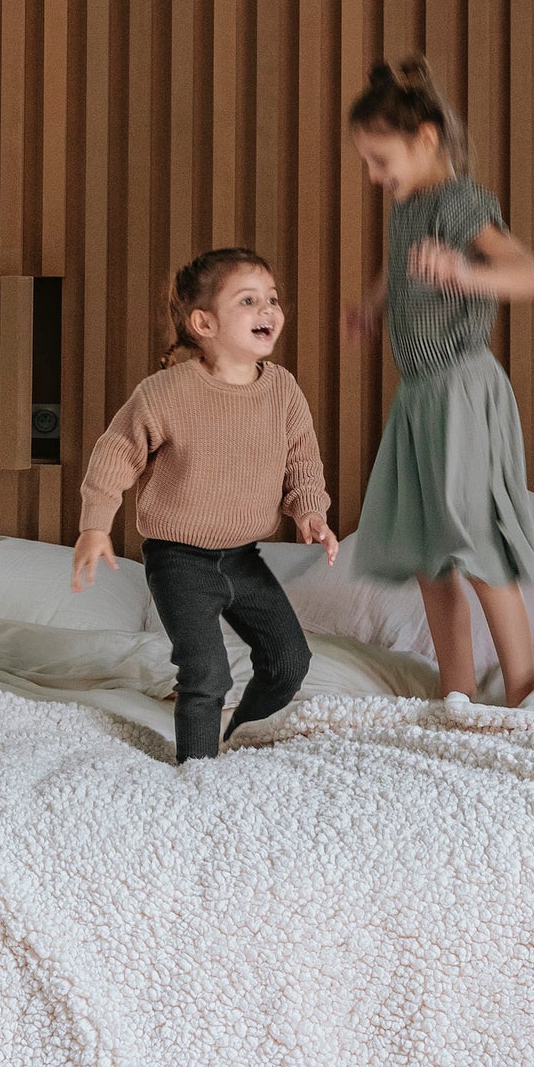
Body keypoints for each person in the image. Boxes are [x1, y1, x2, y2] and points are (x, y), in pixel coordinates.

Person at [73, 248, 336, 763]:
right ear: (204, 322)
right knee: (206, 672)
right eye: (249, 300)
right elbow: (116, 453)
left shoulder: (282, 390)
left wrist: (310, 511)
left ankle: (240, 740)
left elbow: (301, 461)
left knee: (289, 661)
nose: (268, 310)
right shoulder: (164, 393)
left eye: (273, 299)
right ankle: (197, 770)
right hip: (179, 560)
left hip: (243, 558)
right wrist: (95, 526)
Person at [344, 56, 534, 705]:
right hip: (420, 396)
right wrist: (376, 304)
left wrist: (469, 276)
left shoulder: (460, 203)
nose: (374, 176)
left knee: (476, 542)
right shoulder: (408, 208)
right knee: (431, 554)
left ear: (426, 139)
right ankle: (455, 693)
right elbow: (402, 267)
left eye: (381, 161)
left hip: (462, 387)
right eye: (366, 164)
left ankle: (522, 691)